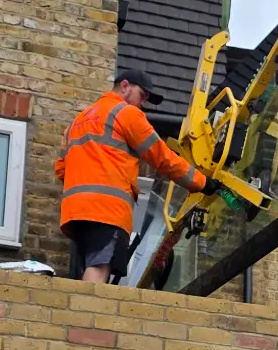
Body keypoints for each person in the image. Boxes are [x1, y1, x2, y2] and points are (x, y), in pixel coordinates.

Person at [55, 67, 207, 283]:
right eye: (142, 95)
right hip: (106, 210)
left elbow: (61, 169)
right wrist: (202, 182)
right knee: (99, 269)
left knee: (90, 266)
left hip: (76, 212)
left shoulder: (77, 122)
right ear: (125, 86)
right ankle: (89, 315)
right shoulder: (125, 113)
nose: (142, 103)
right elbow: (161, 156)